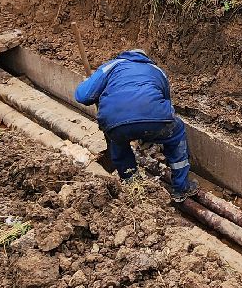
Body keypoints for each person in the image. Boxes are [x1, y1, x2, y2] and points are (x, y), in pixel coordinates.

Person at [74, 50, 193, 202]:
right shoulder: (157, 71)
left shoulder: (111, 66)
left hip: (114, 122)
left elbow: (82, 96)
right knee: (176, 132)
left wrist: (91, 84)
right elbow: (165, 108)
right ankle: (181, 188)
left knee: (118, 144)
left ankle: (133, 188)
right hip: (155, 119)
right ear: (146, 58)